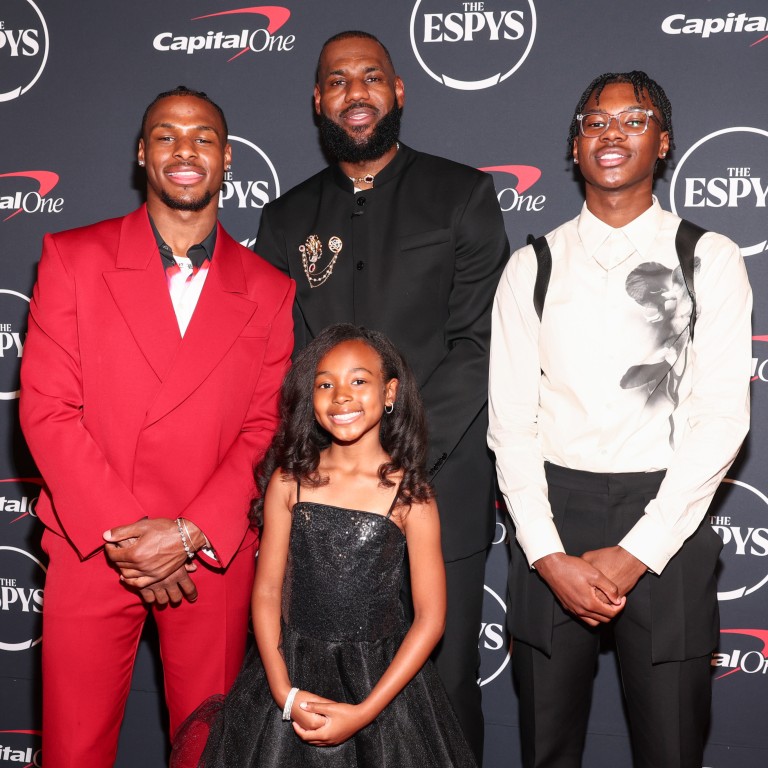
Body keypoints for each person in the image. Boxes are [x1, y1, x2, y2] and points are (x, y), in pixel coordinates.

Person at [19, 86, 294, 767]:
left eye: (202, 137)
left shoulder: (269, 288)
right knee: (73, 751)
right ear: (142, 154)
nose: (184, 149)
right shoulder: (72, 258)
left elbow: (267, 426)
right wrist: (130, 537)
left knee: (211, 751)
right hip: (93, 544)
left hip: (210, 553)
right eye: (166, 135)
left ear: (227, 159)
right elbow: (47, 409)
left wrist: (188, 532)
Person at [255, 31, 510, 760]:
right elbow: (277, 361)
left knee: (444, 684)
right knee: (319, 678)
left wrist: (400, 457)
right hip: (321, 508)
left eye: (372, 77)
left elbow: (480, 343)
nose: (355, 92)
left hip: (434, 484)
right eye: (337, 80)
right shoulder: (284, 219)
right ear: (317, 101)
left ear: (399, 91)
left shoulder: (460, 194)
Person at [488, 71, 752, 767]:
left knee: (672, 750)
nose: (611, 132)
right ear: (574, 146)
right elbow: (510, 423)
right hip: (553, 511)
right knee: (547, 749)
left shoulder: (711, 259)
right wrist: (546, 555)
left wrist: (638, 551)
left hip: (669, 515)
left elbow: (724, 419)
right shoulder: (531, 267)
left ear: (664, 142)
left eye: (633, 119)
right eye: (594, 121)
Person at [171, 323, 478, 768]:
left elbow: (430, 619)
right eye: (325, 384)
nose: (341, 396)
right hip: (287, 674)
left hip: (380, 688)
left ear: (389, 393)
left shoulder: (412, 496)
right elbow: (267, 592)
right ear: (309, 398)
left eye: (358, 380)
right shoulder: (288, 482)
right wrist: (283, 693)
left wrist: (365, 713)